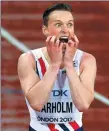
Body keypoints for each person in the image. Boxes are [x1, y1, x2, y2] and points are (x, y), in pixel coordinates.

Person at [17, 3, 97, 131]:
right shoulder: (29, 59)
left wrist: (69, 65)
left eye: (70, 24)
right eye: (58, 24)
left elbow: (83, 104)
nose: (65, 30)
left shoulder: (86, 60)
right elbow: (36, 103)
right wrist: (54, 65)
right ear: (45, 30)